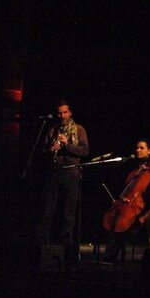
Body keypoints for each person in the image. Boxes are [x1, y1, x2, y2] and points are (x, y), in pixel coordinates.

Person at [103, 139, 150, 262]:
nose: (137, 150)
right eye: (137, 148)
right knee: (117, 216)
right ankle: (112, 253)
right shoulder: (134, 167)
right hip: (136, 205)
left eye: (141, 148)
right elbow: (128, 189)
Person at [36, 100, 89, 250]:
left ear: (70, 113)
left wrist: (67, 145)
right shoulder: (52, 130)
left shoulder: (79, 129)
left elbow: (85, 151)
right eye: (59, 113)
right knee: (47, 209)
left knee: (68, 212)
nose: (62, 115)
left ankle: (67, 246)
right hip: (53, 172)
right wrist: (50, 150)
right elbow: (42, 152)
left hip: (71, 172)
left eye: (65, 112)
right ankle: (42, 244)